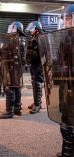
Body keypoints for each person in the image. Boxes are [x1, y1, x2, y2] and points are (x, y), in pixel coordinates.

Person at [40, 4, 74, 157]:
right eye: (65, 18)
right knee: (66, 119)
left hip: (71, 85)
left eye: (69, 18)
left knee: (68, 122)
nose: (66, 21)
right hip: (66, 85)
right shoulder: (67, 37)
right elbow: (62, 60)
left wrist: (62, 69)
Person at [0, 21, 26, 119]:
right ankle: (17, 109)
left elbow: (12, 52)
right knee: (17, 86)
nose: (10, 30)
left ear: (17, 29)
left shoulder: (17, 39)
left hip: (13, 66)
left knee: (10, 87)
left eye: (12, 28)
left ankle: (9, 111)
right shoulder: (20, 39)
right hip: (16, 67)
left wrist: (1, 48)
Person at [25, 21, 44, 114]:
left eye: (32, 29)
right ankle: (37, 102)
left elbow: (42, 52)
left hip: (38, 64)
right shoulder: (34, 37)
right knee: (34, 83)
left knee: (37, 83)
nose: (30, 31)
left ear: (36, 29)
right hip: (33, 64)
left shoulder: (41, 37)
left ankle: (38, 105)